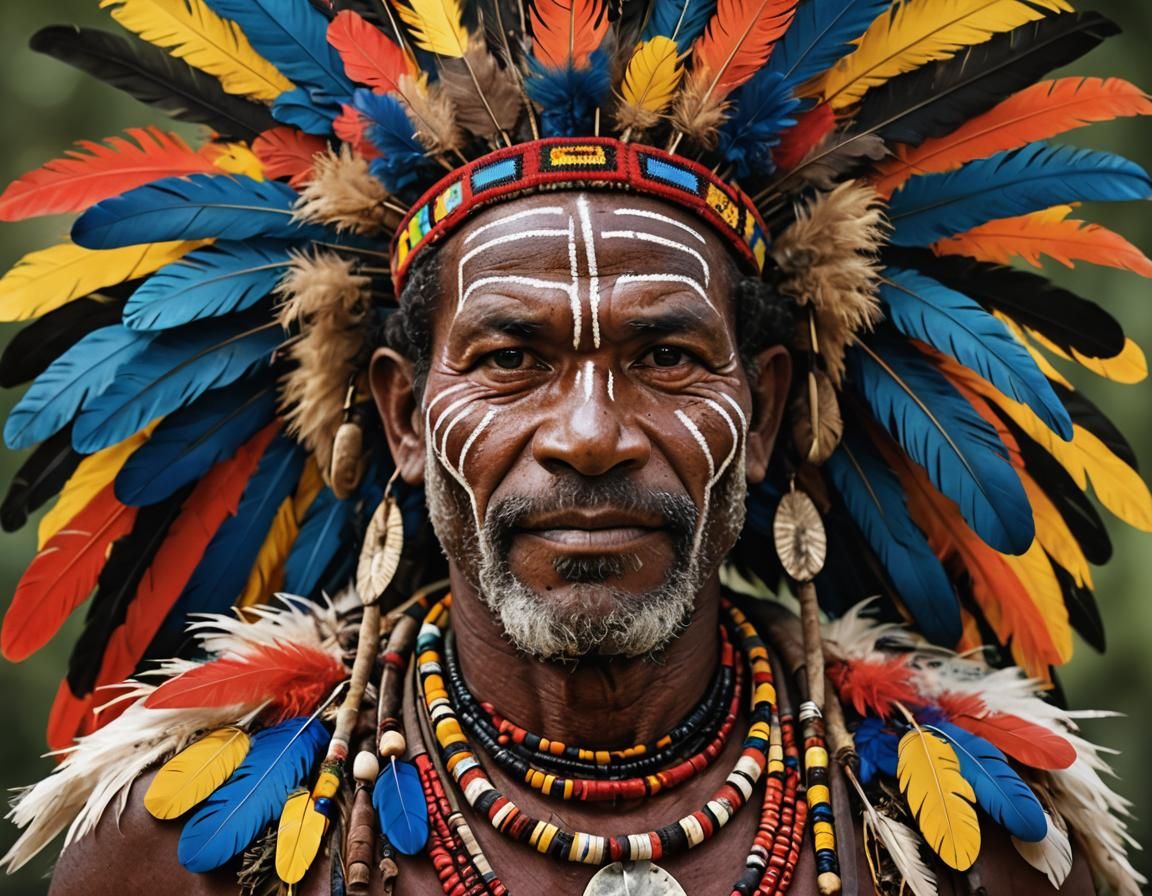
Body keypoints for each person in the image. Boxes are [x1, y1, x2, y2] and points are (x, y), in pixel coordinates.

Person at [0, 2, 1145, 895]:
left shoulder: (971, 843)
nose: (591, 435)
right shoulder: (178, 845)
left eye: (667, 355)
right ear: (404, 416)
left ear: (762, 412)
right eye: (510, 357)